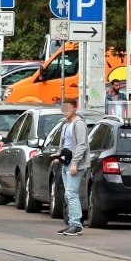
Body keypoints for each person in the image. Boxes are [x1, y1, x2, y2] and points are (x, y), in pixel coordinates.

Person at [54, 98, 89, 236]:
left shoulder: (79, 124)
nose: (65, 111)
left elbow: (82, 145)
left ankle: (76, 224)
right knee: (68, 194)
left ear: (75, 109)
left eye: (68, 109)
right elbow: (65, 145)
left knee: (71, 193)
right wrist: (58, 156)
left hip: (75, 164)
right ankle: (71, 223)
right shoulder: (66, 124)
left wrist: (75, 163)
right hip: (66, 162)